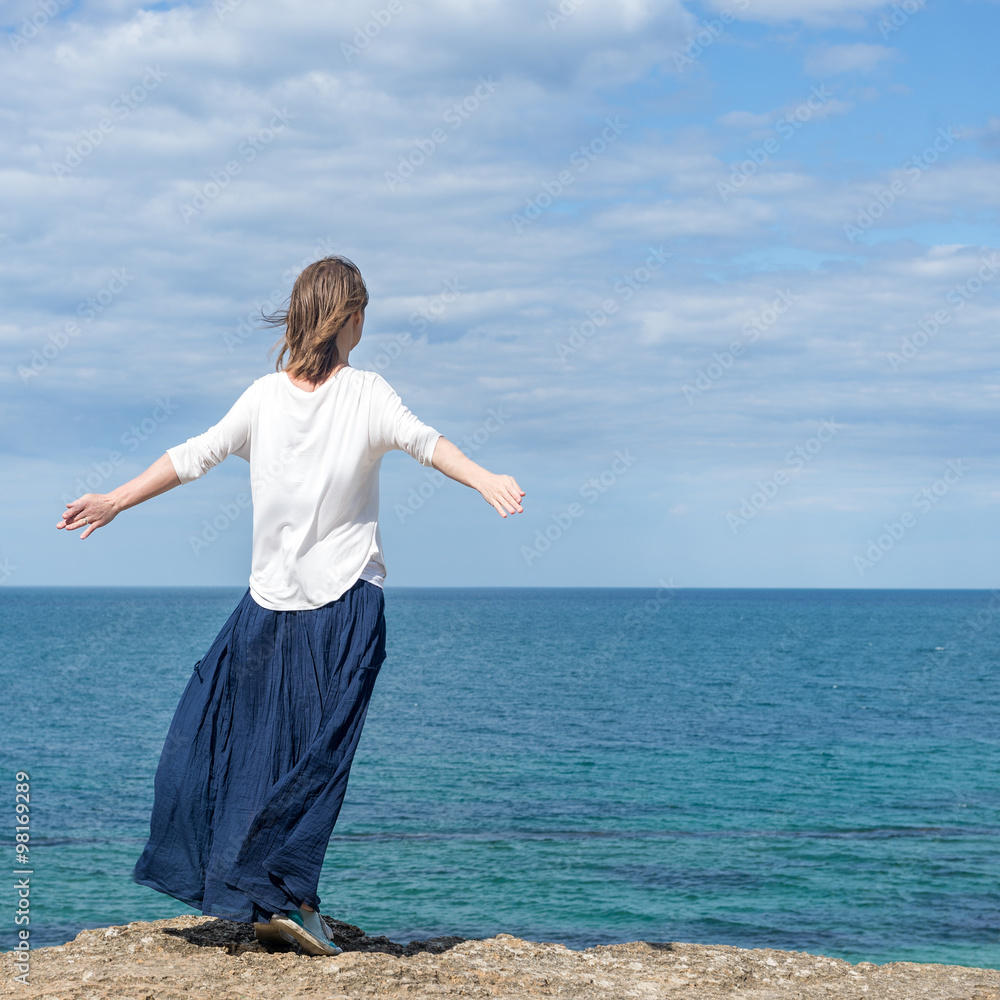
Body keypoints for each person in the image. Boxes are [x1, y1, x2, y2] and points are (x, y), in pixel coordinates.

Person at [55, 255, 525, 956]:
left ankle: (282, 897)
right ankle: (284, 897)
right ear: (353, 318)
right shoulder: (364, 393)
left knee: (263, 755)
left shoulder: (263, 398)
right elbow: (427, 443)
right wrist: (486, 477)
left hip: (269, 611)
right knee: (315, 758)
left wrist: (115, 500)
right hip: (340, 609)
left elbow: (192, 456)